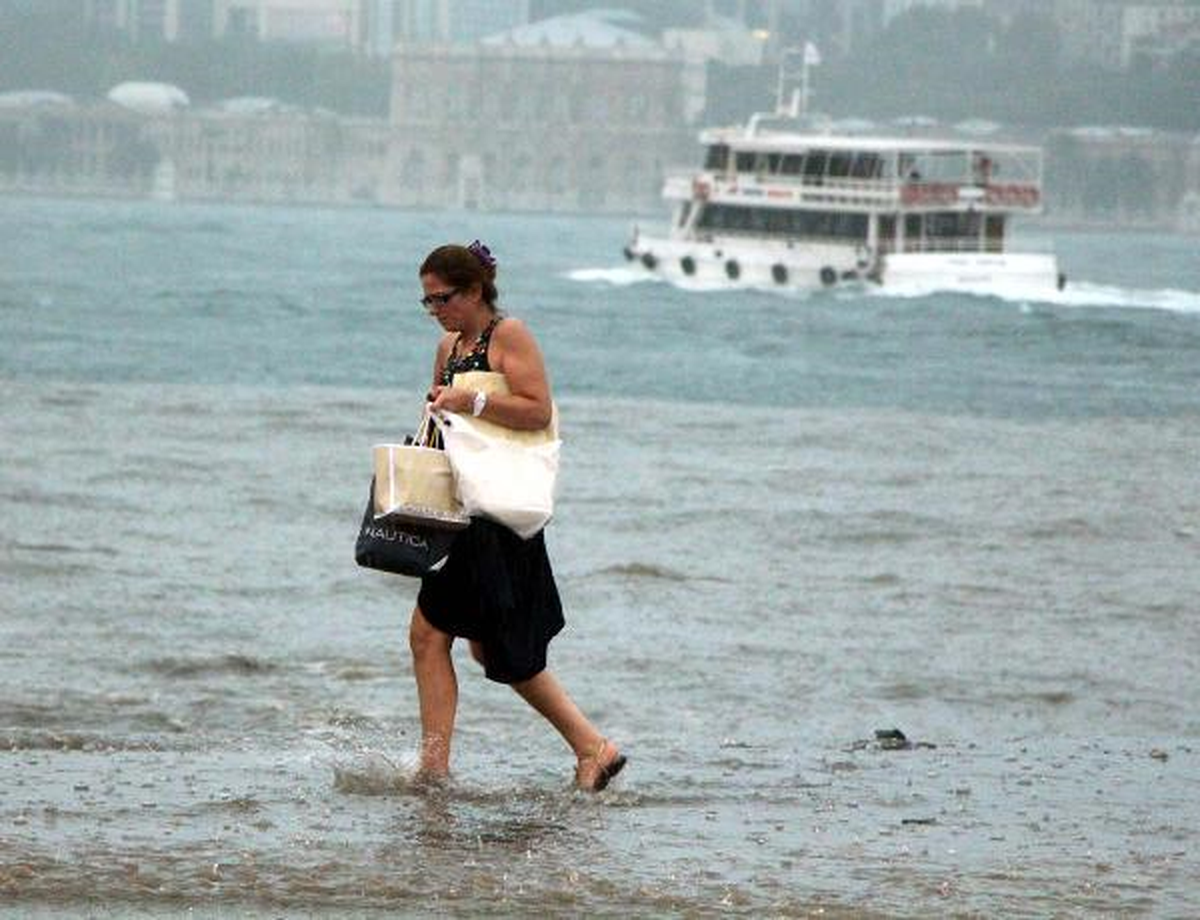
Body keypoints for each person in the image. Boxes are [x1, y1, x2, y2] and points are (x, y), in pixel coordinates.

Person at [408, 240, 626, 792]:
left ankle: (434, 772)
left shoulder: (510, 336)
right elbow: (445, 426)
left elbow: (537, 410)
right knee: (493, 649)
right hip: (465, 511)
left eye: (443, 299)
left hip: (501, 516)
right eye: (428, 302)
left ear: (476, 290)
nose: (437, 311)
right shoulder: (449, 349)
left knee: (429, 634)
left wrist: (472, 402)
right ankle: (591, 746)